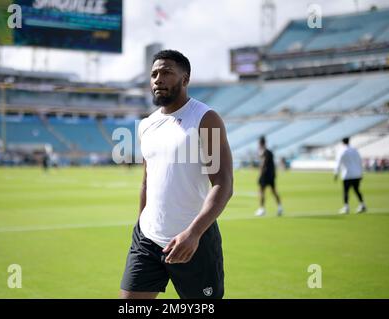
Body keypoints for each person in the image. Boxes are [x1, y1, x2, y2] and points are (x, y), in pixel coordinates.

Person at [120, 50, 233, 299]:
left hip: (195, 240)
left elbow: (223, 183)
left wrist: (193, 234)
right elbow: (147, 181)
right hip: (147, 239)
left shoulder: (205, 119)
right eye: (154, 74)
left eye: (167, 72)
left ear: (185, 79)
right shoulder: (147, 125)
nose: (158, 79)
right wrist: (141, 223)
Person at [334, 137, 367, 214]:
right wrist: (361, 172)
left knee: (346, 191)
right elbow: (359, 161)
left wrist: (336, 173)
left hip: (347, 174)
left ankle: (346, 207)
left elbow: (338, 162)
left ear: (342, 142)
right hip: (356, 174)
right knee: (357, 190)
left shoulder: (342, 151)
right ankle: (362, 205)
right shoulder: (354, 150)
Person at [255, 136, 282, 217]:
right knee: (274, 191)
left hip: (265, 175)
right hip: (271, 175)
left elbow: (263, 164)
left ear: (260, 143)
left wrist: (260, 174)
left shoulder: (265, 152)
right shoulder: (269, 152)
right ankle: (280, 207)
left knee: (261, 192)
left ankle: (262, 209)